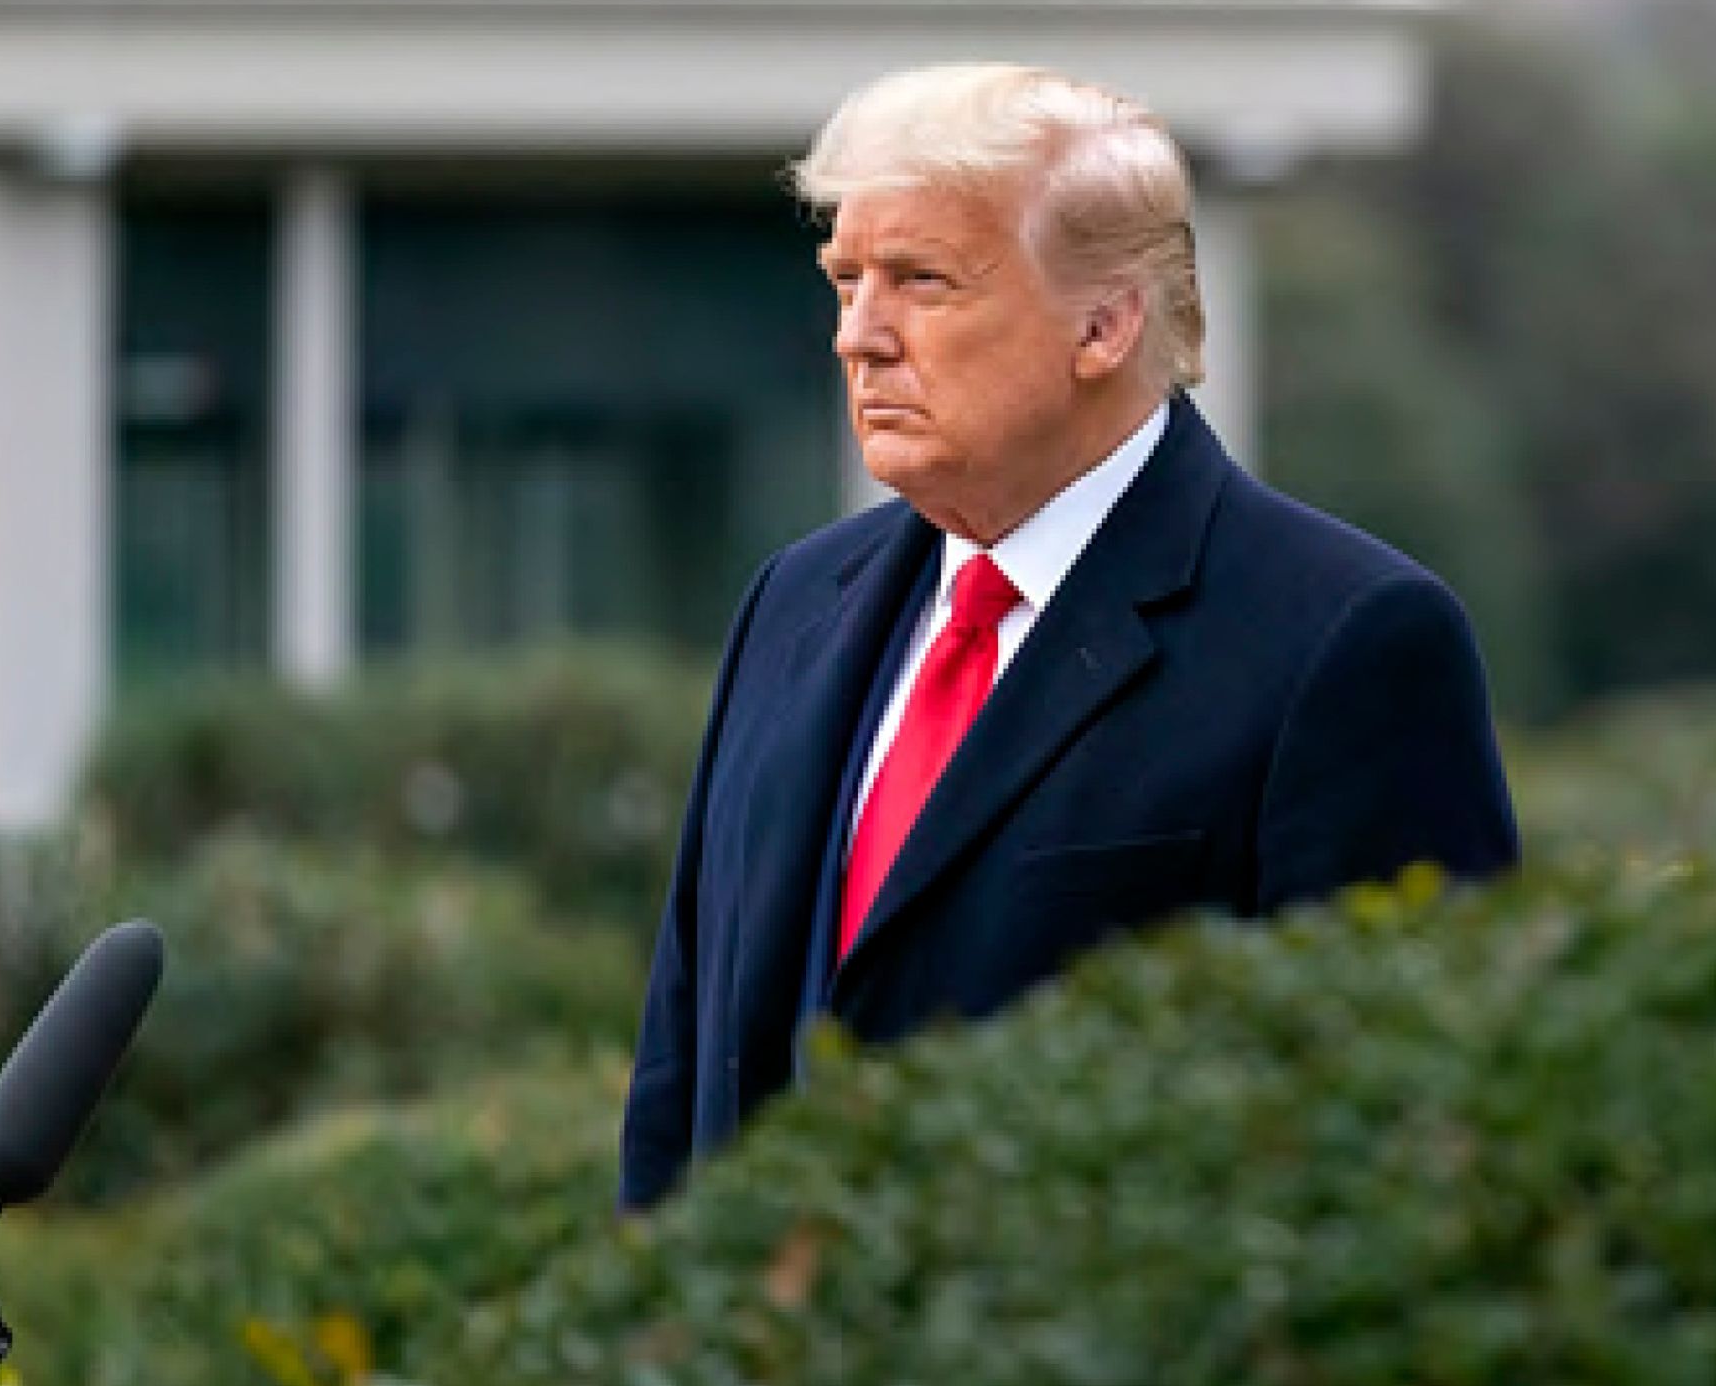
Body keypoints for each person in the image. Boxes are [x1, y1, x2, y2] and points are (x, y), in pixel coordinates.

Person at [619, 61, 1522, 1209]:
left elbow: (1406, 1130)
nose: (860, 336)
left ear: (1103, 324)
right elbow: (683, 1075)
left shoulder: (1349, 639)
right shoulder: (794, 605)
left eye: (922, 282)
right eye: (845, 280)